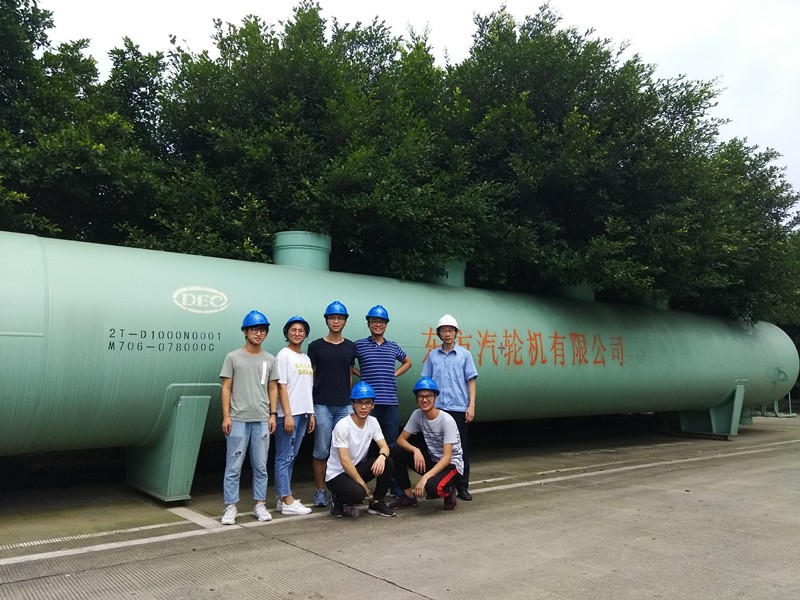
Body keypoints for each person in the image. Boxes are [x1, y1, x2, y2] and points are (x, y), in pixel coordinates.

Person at [219, 310, 279, 525]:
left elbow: (273, 388)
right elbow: (226, 388)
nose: (258, 333)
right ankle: (230, 506)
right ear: (245, 331)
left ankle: (259, 504)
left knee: (261, 465)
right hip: (238, 419)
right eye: (254, 329)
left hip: (262, 419)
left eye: (262, 330)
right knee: (233, 465)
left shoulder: (270, 359)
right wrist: (226, 416)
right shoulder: (233, 357)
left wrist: (273, 414)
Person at [421, 314, 478, 501]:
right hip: (438, 408)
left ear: (456, 333)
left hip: (459, 408)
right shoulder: (433, 356)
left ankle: (462, 486)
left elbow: (471, 381)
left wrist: (471, 405)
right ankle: (441, 485)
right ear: (439, 334)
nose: (447, 334)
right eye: (444, 330)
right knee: (437, 449)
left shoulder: (465, 355)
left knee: (460, 449)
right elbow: (426, 381)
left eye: (450, 330)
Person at [308, 300, 358, 508]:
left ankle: (340, 491)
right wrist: (311, 406)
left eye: (340, 318)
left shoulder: (350, 347)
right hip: (322, 405)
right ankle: (321, 491)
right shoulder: (316, 346)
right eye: (332, 318)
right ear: (327, 321)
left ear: (345, 321)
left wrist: (351, 402)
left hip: (344, 406)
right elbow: (311, 376)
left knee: (344, 451)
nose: (336, 321)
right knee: (321, 450)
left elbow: (349, 374)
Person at [389, 376, 463, 511]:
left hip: (452, 466)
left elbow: (447, 458)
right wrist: (415, 450)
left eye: (428, 396)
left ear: (435, 398)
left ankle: (449, 491)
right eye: (421, 396)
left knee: (432, 488)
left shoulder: (446, 421)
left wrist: (425, 478)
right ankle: (408, 496)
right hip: (434, 461)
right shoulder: (417, 415)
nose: (424, 400)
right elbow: (400, 440)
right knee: (394, 450)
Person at [325, 382, 397, 518]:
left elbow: (385, 447)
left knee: (387, 462)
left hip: (355, 468)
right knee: (359, 494)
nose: (363, 407)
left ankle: (377, 502)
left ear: (373, 405)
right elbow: (344, 461)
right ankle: (338, 498)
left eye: (367, 403)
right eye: (359, 403)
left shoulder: (373, 422)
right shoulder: (343, 426)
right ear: (353, 404)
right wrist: (362, 484)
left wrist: (382, 457)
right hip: (337, 475)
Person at [272, 316, 315, 516]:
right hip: (289, 415)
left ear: (305, 335)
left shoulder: (305, 358)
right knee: (284, 457)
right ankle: (287, 500)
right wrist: (287, 415)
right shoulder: (283, 355)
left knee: (291, 457)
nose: (297, 333)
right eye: (293, 330)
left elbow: (307, 388)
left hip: (303, 414)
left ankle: (283, 498)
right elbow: (281, 386)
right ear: (287, 333)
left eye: (301, 331)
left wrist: (311, 413)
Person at [354, 304, 412, 451]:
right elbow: (346, 363)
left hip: (390, 401)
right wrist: (360, 373)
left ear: (386, 325)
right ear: (368, 324)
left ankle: (387, 467)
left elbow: (408, 362)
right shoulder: (359, 345)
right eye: (374, 321)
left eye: (381, 322)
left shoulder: (393, 346)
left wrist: (394, 374)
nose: (378, 324)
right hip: (367, 402)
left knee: (390, 442)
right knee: (366, 443)